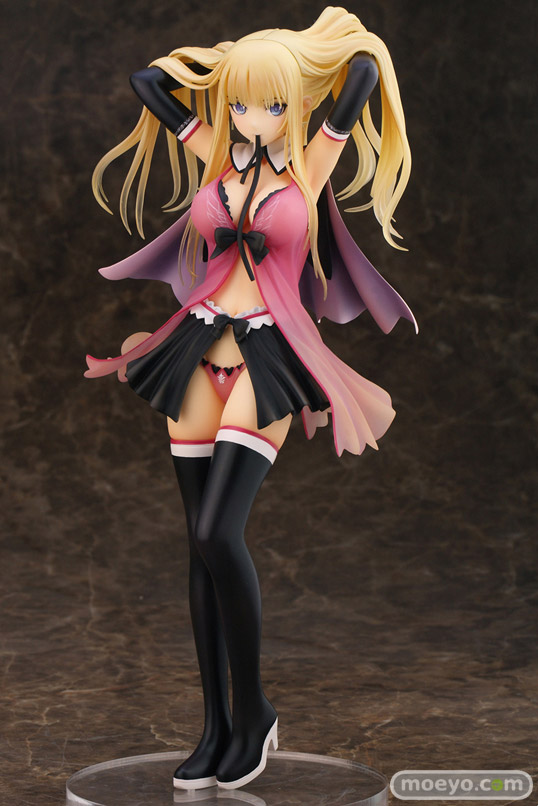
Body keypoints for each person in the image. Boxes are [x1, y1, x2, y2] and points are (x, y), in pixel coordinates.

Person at [85, 6, 417, 791]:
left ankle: (256, 710)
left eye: (270, 104)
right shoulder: (214, 155)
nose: (253, 118)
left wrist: (303, 58)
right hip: (197, 348)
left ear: (293, 104)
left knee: (217, 529)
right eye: (240, 103)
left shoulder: (310, 164)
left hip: (267, 354)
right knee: (197, 546)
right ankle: (215, 729)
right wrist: (217, 68)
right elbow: (147, 82)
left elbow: (362, 74)